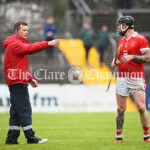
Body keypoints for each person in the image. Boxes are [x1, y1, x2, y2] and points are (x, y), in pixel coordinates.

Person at [3, 22, 60, 144]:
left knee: (16, 112)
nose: (26, 32)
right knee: (25, 110)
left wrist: (29, 78)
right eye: (23, 30)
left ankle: (11, 138)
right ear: (16, 31)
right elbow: (30, 48)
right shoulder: (15, 44)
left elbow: (18, 66)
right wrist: (47, 43)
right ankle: (31, 137)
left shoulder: (15, 43)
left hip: (17, 80)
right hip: (17, 82)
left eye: (27, 30)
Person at [111, 16, 150, 143]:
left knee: (141, 107)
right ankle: (119, 136)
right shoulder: (121, 41)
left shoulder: (141, 39)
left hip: (136, 77)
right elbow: (119, 58)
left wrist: (132, 57)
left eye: (120, 25)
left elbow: (148, 58)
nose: (118, 27)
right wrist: (114, 62)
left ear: (126, 25)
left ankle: (146, 135)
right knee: (120, 108)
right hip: (122, 77)